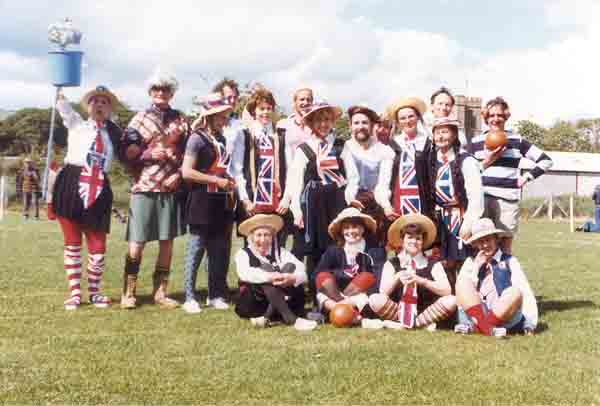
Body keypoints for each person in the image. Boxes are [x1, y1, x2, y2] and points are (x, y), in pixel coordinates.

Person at [120, 70, 187, 309]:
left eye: (166, 89)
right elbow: (126, 153)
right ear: (150, 92)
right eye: (157, 89)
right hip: (144, 187)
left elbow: (190, 154)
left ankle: (160, 292)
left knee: (166, 241)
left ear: (172, 93)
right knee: (137, 241)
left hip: (170, 187)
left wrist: (179, 174)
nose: (161, 93)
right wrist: (148, 154)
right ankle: (128, 293)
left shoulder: (180, 119)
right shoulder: (138, 120)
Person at [53, 86, 124, 310]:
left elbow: (130, 154)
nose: (99, 105)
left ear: (110, 108)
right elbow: (63, 108)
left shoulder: (115, 134)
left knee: (97, 244)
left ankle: (94, 292)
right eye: (95, 101)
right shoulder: (77, 124)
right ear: (88, 106)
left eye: (104, 102)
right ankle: (75, 293)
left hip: (99, 185)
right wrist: (60, 88)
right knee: (72, 242)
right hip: (71, 181)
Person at [469, 97, 552, 254]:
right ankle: (481, 278)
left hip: (507, 202)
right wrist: (487, 161)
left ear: (506, 117)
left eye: (500, 115)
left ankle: (504, 278)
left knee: (505, 248)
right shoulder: (475, 141)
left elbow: (546, 161)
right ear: (486, 117)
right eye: (492, 115)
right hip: (481, 200)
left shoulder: (516, 140)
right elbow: (467, 173)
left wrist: (526, 177)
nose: (496, 119)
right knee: (479, 248)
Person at [180, 93, 237, 313]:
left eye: (225, 116)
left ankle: (215, 294)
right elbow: (186, 172)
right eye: (220, 116)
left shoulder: (222, 139)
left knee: (218, 250)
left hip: (220, 201)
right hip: (201, 199)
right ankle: (189, 296)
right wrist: (215, 180)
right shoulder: (197, 138)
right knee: (196, 249)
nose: (224, 120)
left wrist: (228, 183)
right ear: (209, 117)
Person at [287, 101, 347, 303]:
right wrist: (296, 210)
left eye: (327, 120)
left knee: (336, 246)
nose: (323, 124)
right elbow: (295, 182)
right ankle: (315, 295)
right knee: (314, 249)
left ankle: (335, 292)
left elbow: (350, 176)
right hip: (313, 204)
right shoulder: (304, 149)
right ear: (311, 123)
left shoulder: (339, 146)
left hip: (336, 201)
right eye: (319, 120)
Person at [368, 214, 456, 330]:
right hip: (398, 311)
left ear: (423, 241)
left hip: (426, 312)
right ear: (402, 240)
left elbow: (446, 290)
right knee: (375, 299)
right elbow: (383, 292)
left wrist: (422, 281)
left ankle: (412, 324)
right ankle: (415, 324)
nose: (414, 241)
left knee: (452, 300)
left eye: (418, 238)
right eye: (410, 237)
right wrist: (398, 277)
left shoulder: (433, 263)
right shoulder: (392, 263)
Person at [455, 217, 538, 337]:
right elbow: (463, 295)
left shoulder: (510, 261)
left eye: (488, 240)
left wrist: (530, 323)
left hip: (505, 314)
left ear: (496, 239)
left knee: (514, 292)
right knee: (462, 282)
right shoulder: (471, 262)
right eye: (480, 241)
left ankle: (480, 327)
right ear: (476, 244)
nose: (485, 245)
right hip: (479, 311)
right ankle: (488, 328)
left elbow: (525, 292)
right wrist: (476, 267)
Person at [234, 213, 317, 331]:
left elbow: (301, 269)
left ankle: (266, 317)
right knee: (265, 278)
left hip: (278, 300)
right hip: (254, 303)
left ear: (272, 237)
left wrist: (292, 278)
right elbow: (245, 273)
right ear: (251, 237)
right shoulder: (242, 253)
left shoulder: (281, 252)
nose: (262, 240)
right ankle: (291, 319)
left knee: (289, 266)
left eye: (266, 235)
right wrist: (271, 276)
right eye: (258, 235)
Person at [234, 88, 291, 243]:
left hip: (276, 201)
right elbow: (237, 170)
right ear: (254, 111)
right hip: (253, 201)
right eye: (261, 109)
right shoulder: (244, 135)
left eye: (269, 108)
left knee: (278, 246)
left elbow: (290, 169)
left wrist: (286, 198)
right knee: (253, 246)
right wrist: (245, 200)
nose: (265, 112)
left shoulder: (281, 135)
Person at [428, 117, 483, 270]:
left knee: (463, 261)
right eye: (437, 133)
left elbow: (476, 195)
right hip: (439, 219)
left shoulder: (466, 160)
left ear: (454, 135)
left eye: (444, 132)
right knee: (441, 262)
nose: (440, 137)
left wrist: (469, 222)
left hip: (460, 216)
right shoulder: (430, 160)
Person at [314, 208, 385, 324]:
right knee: (322, 277)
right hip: (334, 294)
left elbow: (378, 278)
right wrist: (341, 274)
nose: (350, 231)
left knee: (366, 277)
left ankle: (343, 311)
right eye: (346, 228)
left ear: (363, 229)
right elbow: (317, 275)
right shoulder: (333, 251)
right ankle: (350, 313)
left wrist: (358, 284)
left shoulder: (374, 250)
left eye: (355, 227)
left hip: (361, 295)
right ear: (341, 231)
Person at [375, 97, 434, 224]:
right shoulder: (392, 145)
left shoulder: (429, 144)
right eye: (402, 118)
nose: (407, 121)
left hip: (424, 206)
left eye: (411, 116)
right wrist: (386, 205)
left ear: (418, 117)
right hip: (397, 206)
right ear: (397, 122)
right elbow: (384, 179)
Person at [341, 105, 395, 244]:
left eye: (365, 122)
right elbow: (350, 181)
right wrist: (350, 199)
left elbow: (383, 183)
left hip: (374, 204)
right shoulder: (343, 148)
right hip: (348, 204)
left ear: (372, 125)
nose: (361, 126)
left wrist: (386, 205)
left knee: (375, 251)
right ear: (350, 125)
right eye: (356, 123)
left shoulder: (385, 151)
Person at [275, 85, 314, 259]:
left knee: (304, 234)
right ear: (294, 103)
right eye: (301, 99)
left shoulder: (315, 124)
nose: (305, 102)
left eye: (308, 99)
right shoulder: (284, 125)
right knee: (281, 232)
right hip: (286, 182)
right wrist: (286, 195)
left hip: (308, 183)